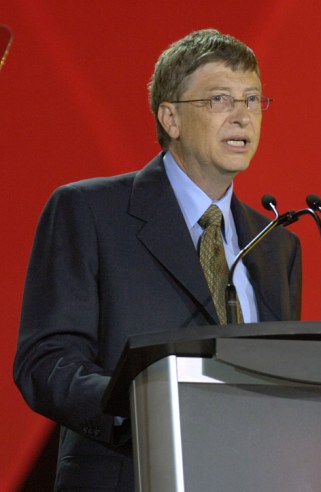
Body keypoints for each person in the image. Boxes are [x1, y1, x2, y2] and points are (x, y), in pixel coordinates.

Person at [14, 29, 301, 491]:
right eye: (220, 99)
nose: (242, 115)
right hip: (129, 472)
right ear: (170, 117)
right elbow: (46, 362)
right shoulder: (89, 211)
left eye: (252, 99)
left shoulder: (276, 245)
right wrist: (147, 406)